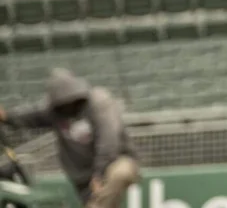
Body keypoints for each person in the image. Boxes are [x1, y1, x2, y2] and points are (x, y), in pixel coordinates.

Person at [0, 69, 139, 208]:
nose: (67, 106)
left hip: (116, 162)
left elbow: (108, 142)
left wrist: (99, 174)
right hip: (83, 176)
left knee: (120, 173)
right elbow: (31, 116)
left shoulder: (99, 103)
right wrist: (6, 116)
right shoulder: (55, 112)